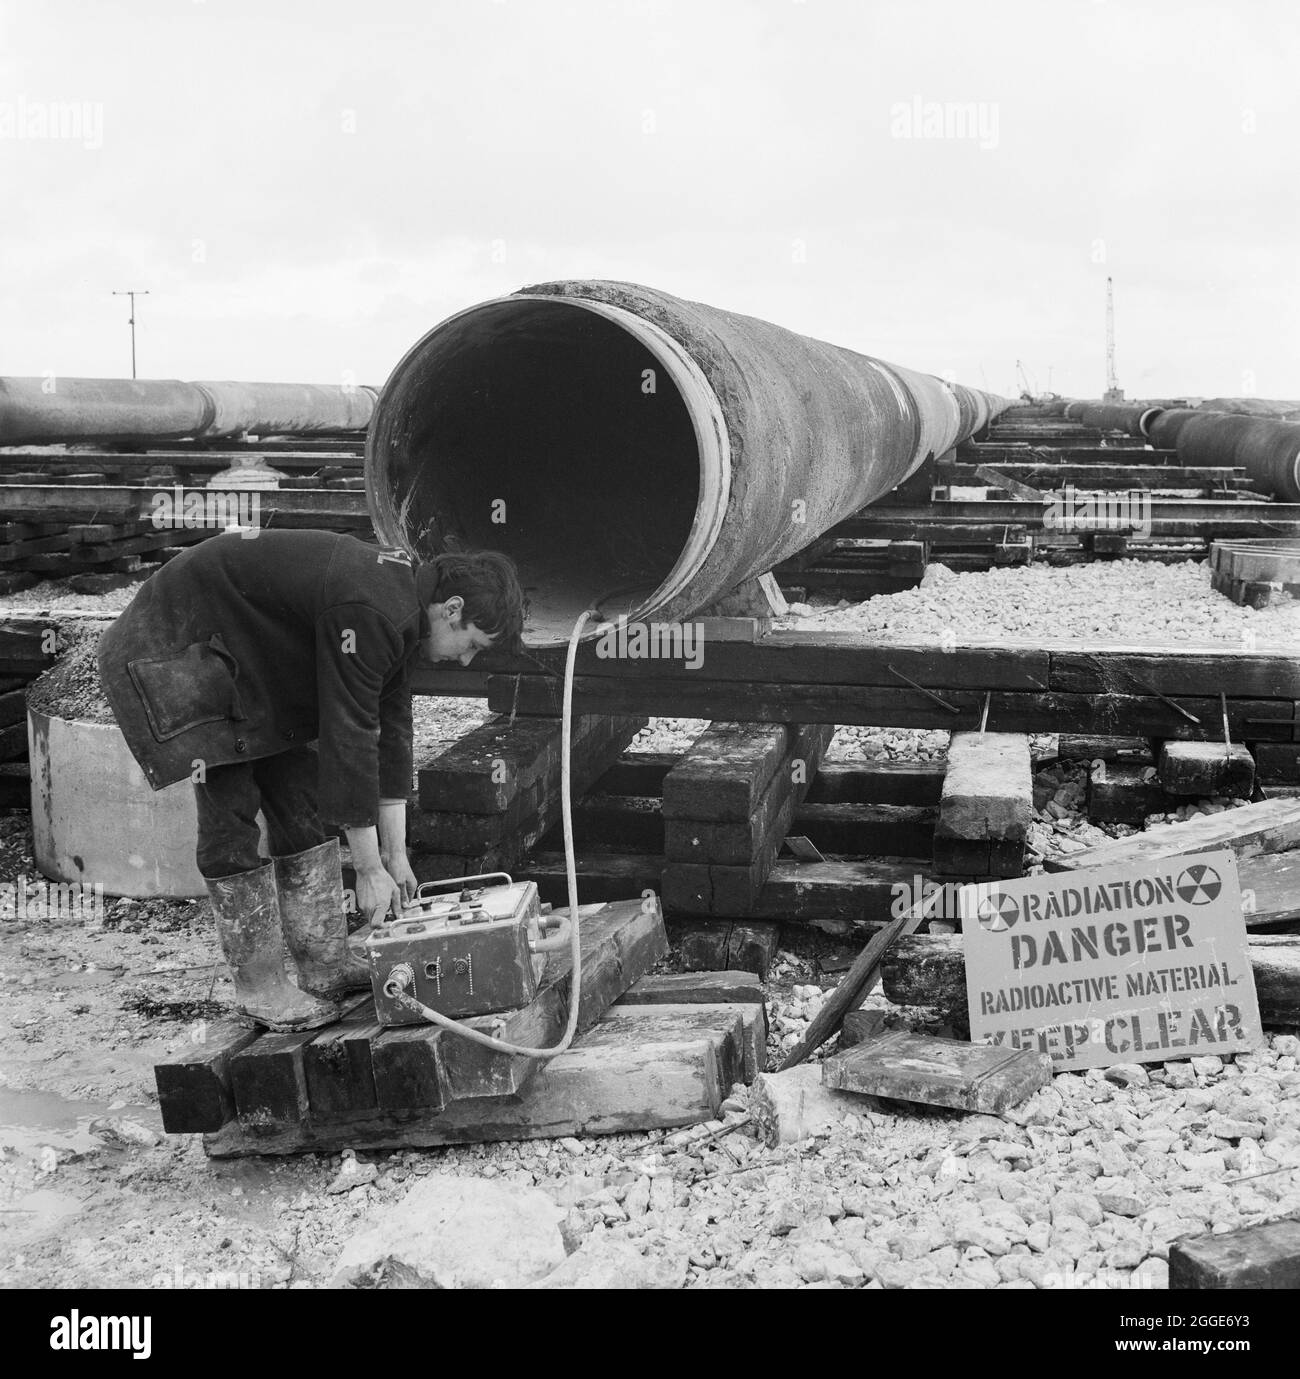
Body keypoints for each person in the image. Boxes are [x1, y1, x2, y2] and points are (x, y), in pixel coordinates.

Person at [98, 529, 526, 1031]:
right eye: (472, 644)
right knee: (230, 806)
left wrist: (395, 855)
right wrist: (367, 871)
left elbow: (390, 734)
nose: (466, 659)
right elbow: (350, 739)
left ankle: (322, 963)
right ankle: (260, 986)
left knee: (297, 789)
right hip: (180, 643)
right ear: (452, 609)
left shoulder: (403, 611)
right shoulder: (374, 609)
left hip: (252, 657)